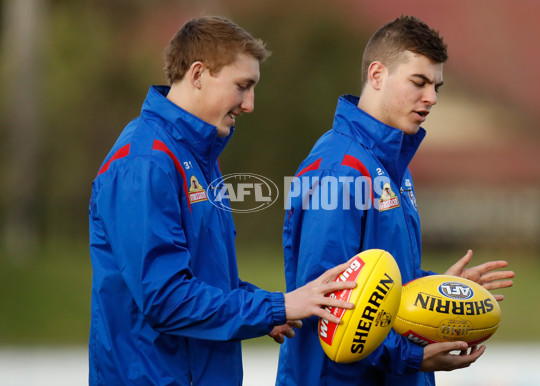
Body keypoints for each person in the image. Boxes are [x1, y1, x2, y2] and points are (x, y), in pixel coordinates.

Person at [88, 16, 356, 385]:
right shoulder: (146, 162)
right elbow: (166, 299)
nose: (249, 104)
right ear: (198, 75)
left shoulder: (197, 156)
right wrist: (276, 306)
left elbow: (206, 279)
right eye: (242, 86)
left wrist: (274, 307)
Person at [276, 16, 515, 386]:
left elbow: (375, 283)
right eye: (418, 82)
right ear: (376, 75)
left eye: (436, 86)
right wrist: (409, 356)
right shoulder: (339, 170)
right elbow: (328, 307)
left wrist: (432, 292)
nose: (431, 98)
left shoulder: (391, 163)